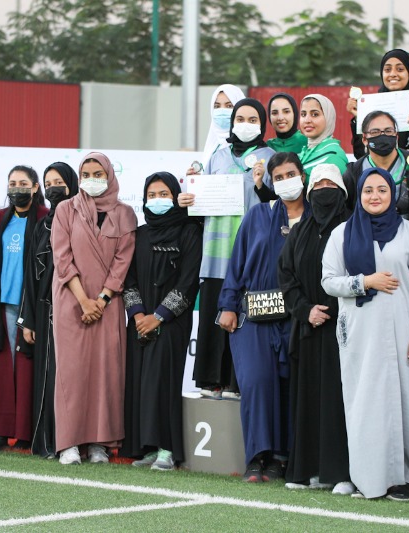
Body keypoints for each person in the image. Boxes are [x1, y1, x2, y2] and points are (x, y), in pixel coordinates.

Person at [322, 166, 409, 501]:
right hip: (360, 334)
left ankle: (407, 480)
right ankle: (370, 480)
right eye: (368, 190)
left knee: (408, 404)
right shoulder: (342, 234)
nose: (375, 196)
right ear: (359, 195)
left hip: (404, 333)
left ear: (392, 194)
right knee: (366, 405)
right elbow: (329, 281)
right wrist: (365, 282)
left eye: (382, 190)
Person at [218, 151, 307, 482]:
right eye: (279, 177)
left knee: (288, 386)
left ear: (304, 175)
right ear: (270, 181)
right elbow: (236, 262)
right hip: (253, 316)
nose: (286, 181)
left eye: (291, 174)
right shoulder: (257, 215)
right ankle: (258, 457)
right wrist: (227, 305)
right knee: (256, 383)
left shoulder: (315, 218)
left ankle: (281, 458)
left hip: (296, 317)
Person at [183, 98, 276, 400]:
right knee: (214, 319)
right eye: (240, 118)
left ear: (262, 124)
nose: (245, 124)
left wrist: (262, 184)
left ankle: (238, 383)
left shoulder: (270, 157)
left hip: (251, 255)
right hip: (215, 255)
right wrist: (190, 197)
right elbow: (200, 204)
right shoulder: (217, 157)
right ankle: (212, 382)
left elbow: (276, 205)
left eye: (252, 119)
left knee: (244, 323)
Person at [51, 152, 136, 465]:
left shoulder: (126, 214)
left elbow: (122, 261)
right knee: (72, 375)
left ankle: (100, 443)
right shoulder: (65, 210)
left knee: (106, 374)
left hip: (108, 306)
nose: (91, 178)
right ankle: (69, 443)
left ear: (109, 174)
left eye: (97, 172)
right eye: (85, 172)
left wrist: (100, 300)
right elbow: (62, 258)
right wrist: (83, 300)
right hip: (71, 303)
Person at [278, 164, 354, 495]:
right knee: (308, 399)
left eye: (330, 184)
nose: (324, 189)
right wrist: (305, 310)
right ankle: (308, 469)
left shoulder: (354, 229)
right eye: (318, 184)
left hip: (345, 330)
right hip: (308, 329)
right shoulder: (299, 232)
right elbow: (287, 277)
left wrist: (335, 309)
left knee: (340, 402)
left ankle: (342, 473)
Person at [122, 172, 203, 471]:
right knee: (141, 383)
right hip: (140, 321)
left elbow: (188, 281)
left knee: (163, 382)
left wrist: (159, 316)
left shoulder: (189, 232)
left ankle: (168, 449)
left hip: (171, 322)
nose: (157, 201)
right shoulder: (139, 234)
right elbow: (127, 279)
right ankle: (147, 446)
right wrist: (138, 314)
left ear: (176, 196)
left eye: (164, 194)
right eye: (152, 195)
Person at [0, 166, 47, 451]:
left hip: (31, 307)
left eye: (23, 183)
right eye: (12, 183)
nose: (17, 187)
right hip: (1, 304)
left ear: (34, 187)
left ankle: (25, 433)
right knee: (0, 371)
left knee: (27, 369)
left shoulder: (44, 218)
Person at [21, 162, 79, 458]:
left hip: (75, 310)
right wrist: (28, 319)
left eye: (60, 181)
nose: (54, 187)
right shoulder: (43, 224)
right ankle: (48, 441)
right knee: (48, 374)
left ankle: (73, 440)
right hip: (45, 311)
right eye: (49, 182)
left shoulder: (83, 220)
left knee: (71, 374)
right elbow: (31, 274)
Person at [343, 110, 409, 224]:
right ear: (364, 139)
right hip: (367, 237)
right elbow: (348, 215)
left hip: (407, 237)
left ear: (396, 137)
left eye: (388, 131)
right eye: (375, 132)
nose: (383, 135)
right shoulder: (354, 172)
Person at [345, 48, 409, 159]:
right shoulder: (372, 105)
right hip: (380, 174)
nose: (393, 74)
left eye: (400, 69)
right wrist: (358, 118)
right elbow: (360, 154)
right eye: (387, 70)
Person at [296, 94, 349, 175]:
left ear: (328, 117)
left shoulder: (333, 155)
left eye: (315, 114)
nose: (307, 120)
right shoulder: (305, 151)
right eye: (303, 114)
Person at [202, 84, 245, 158]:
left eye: (229, 106)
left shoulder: (248, 147)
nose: (222, 110)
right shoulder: (213, 144)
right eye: (217, 106)